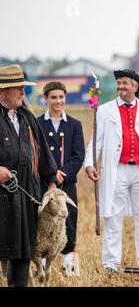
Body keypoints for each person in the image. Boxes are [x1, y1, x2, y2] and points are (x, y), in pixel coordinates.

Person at [84, 69, 139, 273]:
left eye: (125, 83)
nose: (120, 87)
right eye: (118, 83)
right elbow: (96, 141)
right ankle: (111, 264)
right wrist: (89, 163)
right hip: (117, 170)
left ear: (135, 86)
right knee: (112, 217)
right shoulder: (104, 110)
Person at [0, 64, 57, 286]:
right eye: (18, 88)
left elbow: (42, 151)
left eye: (23, 87)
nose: (23, 92)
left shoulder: (26, 118)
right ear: (3, 91)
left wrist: (51, 182)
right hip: (2, 196)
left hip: (26, 192)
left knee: (23, 249)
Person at [37, 81, 85, 275]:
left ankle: (69, 264)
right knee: (42, 224)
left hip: (67, 184)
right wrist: (50, 174)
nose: (58, 101)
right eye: (53, 97)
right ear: (46, 99)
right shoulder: (37, 123)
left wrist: (63, 173)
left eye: (61, 97)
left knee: (69, 221)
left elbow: (78, 155)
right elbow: (36, 154)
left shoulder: (74, 124)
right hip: (44, 184)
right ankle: (40, 267)